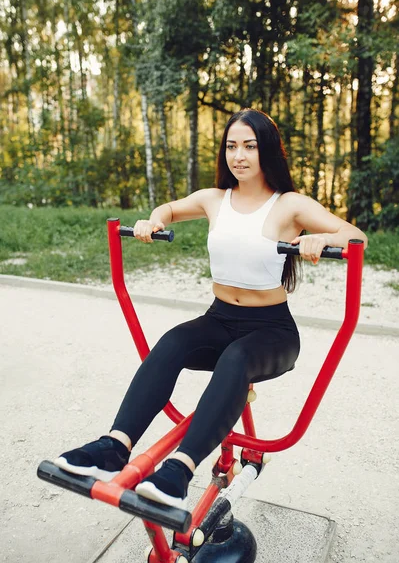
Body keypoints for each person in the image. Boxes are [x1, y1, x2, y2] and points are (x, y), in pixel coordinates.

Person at [54, 109, 367, 509]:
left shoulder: (289, 205)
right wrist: (153, 220)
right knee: (172, 342)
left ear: (265, 151)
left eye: (249, 147)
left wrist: (322, 238)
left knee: (237, 359)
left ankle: (178, 471)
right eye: (231, 146)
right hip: (219, 318)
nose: (239, 155)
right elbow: (168, 210)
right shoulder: (214, 199)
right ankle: (114, 447)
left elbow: (355, 236)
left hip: (272, 331)